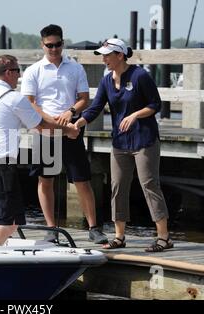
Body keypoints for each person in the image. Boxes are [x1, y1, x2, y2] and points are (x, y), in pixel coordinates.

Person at [0, 54, 79, 246]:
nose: (19, 76)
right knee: (11, 222)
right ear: (9, 72)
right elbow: (42, 128)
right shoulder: (14, 98)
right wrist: (69, 131)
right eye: (18, 71)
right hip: (0, 165)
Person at [74, 38, 173, 252]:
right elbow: (95, 107)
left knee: (149, 185)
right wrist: (79, 122)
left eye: (107, 55)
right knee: (118, 186)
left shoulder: (140, 76)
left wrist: (135, 115)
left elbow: (155, 104)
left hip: (144, 139)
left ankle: (163, 237)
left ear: (120, 55)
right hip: (120, 142)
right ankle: (119, 237)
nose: (104, 59)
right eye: (102, 55)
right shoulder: (106, 81)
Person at [21, 24, 108, 244]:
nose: (54, 49)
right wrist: (52, 121)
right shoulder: (34, 71)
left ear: (63, 43)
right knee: (45, 180)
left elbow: (83, 98)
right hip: (45, 131)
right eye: (49, 45)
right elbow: (30, 104)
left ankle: (94, 228)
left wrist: (69, 113)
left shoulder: (75, 68)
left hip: (72, 129)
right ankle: (51, 228)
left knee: (82, 180)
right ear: (42, 44)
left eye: (57, 44)